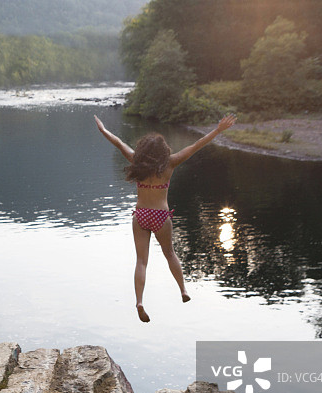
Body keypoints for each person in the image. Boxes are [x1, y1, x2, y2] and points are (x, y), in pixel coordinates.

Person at [95, 114, 237, 323]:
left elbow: (118, 142)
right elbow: (197, 145)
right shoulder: (170, 163)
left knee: (141, 261)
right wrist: (217, 130)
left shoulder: (136, 161)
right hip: (161, 216)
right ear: (163, 151)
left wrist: (103, 129)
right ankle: (183, 290)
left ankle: (140, 301)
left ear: (143, 149)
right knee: (170, 254)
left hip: (141, 215)